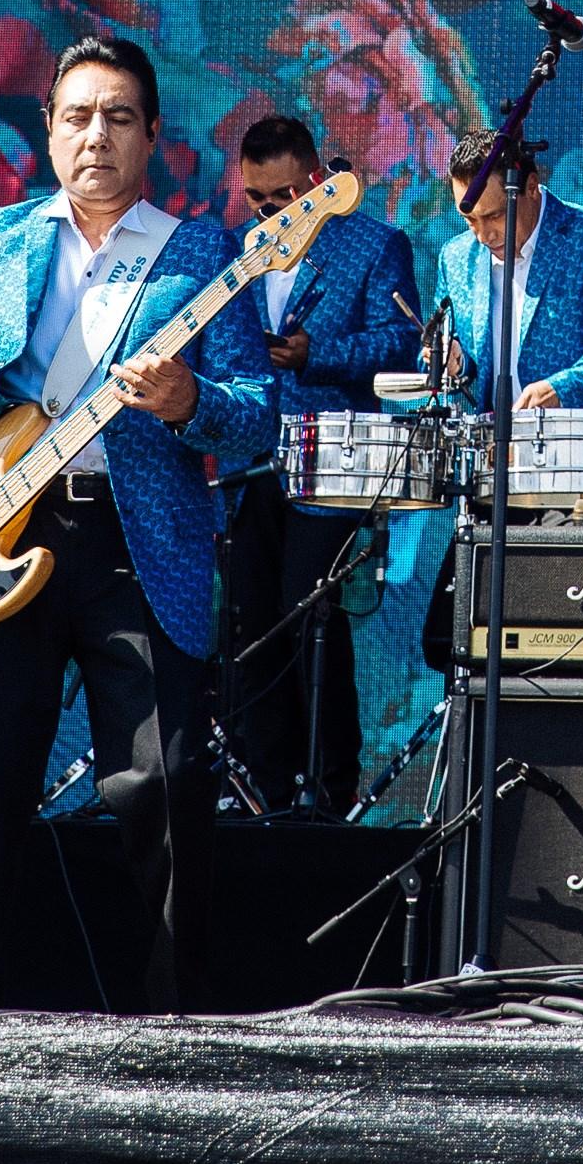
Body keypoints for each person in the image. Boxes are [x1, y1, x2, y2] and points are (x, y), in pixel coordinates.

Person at [0, 32, 275, 1011]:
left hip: (134, 545)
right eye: (77, 116)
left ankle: (176, 1023)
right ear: (49, 129)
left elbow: (258, 413)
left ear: (151, 134)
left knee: (166, 782)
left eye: (118, 117)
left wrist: (191, 401)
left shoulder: (199, 252)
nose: (96, 135)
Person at [218, 112, 418, 815]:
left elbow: (402, 342)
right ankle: (266, 789)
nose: (270, 211)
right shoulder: (239, 248)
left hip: (335, 460)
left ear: (314, 180)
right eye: (256, 198)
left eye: (283, 197)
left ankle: (330, 790)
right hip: (253, 459)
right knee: (250, 624)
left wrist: (316, 355)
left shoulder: (374, 243)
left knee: (309, 615)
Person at [432, 146, 583, 419]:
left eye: (494, 216)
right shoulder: (455, 257)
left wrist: (563, 389)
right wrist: (455, 360)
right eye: (470, 220)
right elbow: (447, 349)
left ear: (531, 187)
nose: (483, 235)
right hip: (493, 441)